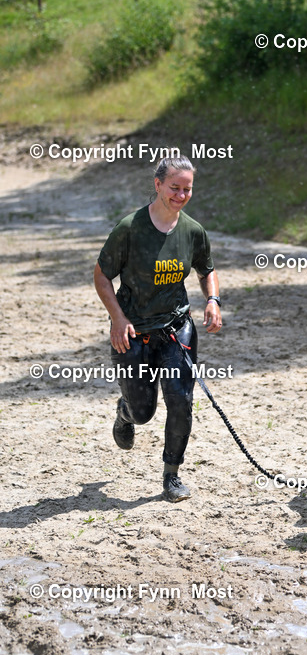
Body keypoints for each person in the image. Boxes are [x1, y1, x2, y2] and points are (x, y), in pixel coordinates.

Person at [93, 155, 222, 502]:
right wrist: (118, 318)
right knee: (143, 412)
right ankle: (125, 412)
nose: (180, 195)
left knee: (181, 401)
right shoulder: (129, 228)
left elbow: (206, 269)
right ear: (158, 185)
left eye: (187, 189)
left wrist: (212, 300)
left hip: (176, 329)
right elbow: (102, 276)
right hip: (133, 333)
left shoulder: (192, 231)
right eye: (174, 188)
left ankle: (171, 475)